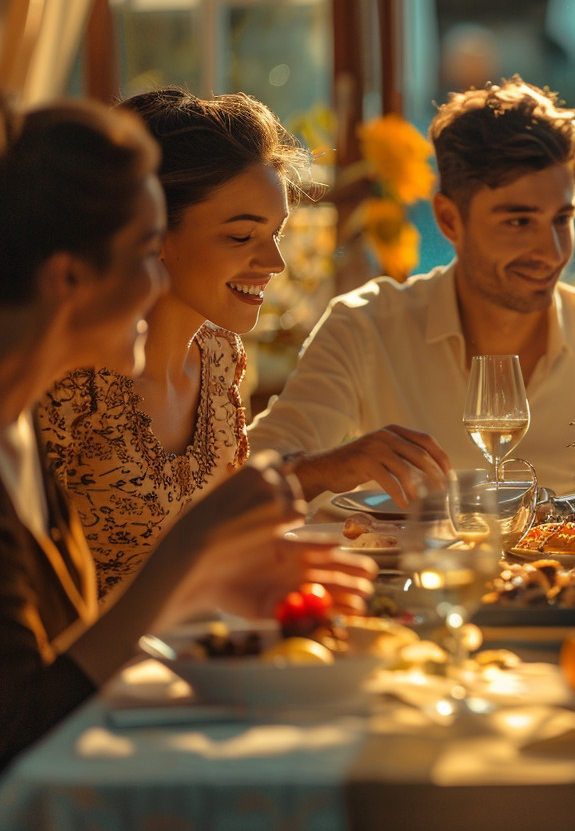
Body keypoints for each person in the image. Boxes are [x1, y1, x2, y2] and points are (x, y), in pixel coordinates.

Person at [0, 96, 374, 771]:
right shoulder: (40, 420)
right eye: (147, 251)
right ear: (67, 277)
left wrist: (211, 589)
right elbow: (20, 727)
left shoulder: (17, 439)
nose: (157, 281)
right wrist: (195, 549)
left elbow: (70, 649)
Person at [249, 77, 575, 496]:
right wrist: (335, 466)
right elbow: (253, 473)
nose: (552, 251)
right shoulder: (364, 327)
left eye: (563, 219)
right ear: (450, 220)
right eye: (519, 222)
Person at [36, 86, 306, 597]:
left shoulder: (221, 356)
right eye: (241, 236)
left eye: (276, 233)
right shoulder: (70, 376)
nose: (274, 263)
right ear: (156, 232)